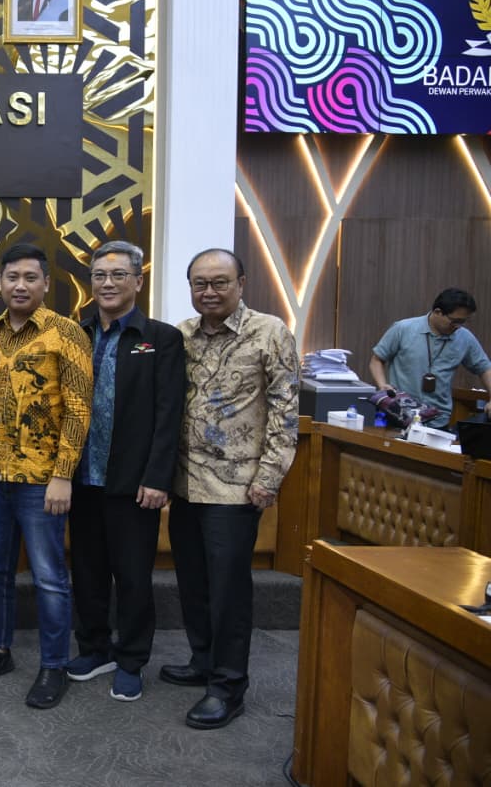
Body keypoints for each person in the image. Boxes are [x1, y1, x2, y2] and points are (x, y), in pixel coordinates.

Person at [162, 248, 299, 730]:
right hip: (185, 483)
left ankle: (228, 685)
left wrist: (269, 479)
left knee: (228, 592)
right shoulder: (181, 335)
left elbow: (285, 413)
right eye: (199, 283)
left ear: (241, 283)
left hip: (236, 490)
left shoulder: (270, 332)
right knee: (193, 583)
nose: (209, 292)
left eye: (219, 282)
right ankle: (202, 660)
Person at [0, 242, 92, 710]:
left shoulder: (66, 333)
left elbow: (79, 410)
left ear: (45, 284)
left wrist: (63, 475)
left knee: (49, 577)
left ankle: (54, 665)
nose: (20, 285)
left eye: (30, 277)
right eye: (12, 277)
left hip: (42, 480)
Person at [65, 241, 185, 703]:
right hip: (82, 478)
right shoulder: (76, 333)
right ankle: (95, 648)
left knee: (133, 576)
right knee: (87, 573)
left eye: (118, 275)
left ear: (138, 280)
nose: (108, 283)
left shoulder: (160, 338)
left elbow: (169, 414)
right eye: (99, 275)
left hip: (134, 484)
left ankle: (131, 659)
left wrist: (157, 478)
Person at [368, 288, 491, 428]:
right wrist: (382, 385)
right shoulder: (403, 329)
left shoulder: (465, 338)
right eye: (454, 321)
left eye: (462, 322)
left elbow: (485, 368)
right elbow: (376, 360)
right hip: (399, 416)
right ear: (438, 312)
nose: (457, 326)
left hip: (439, 419)